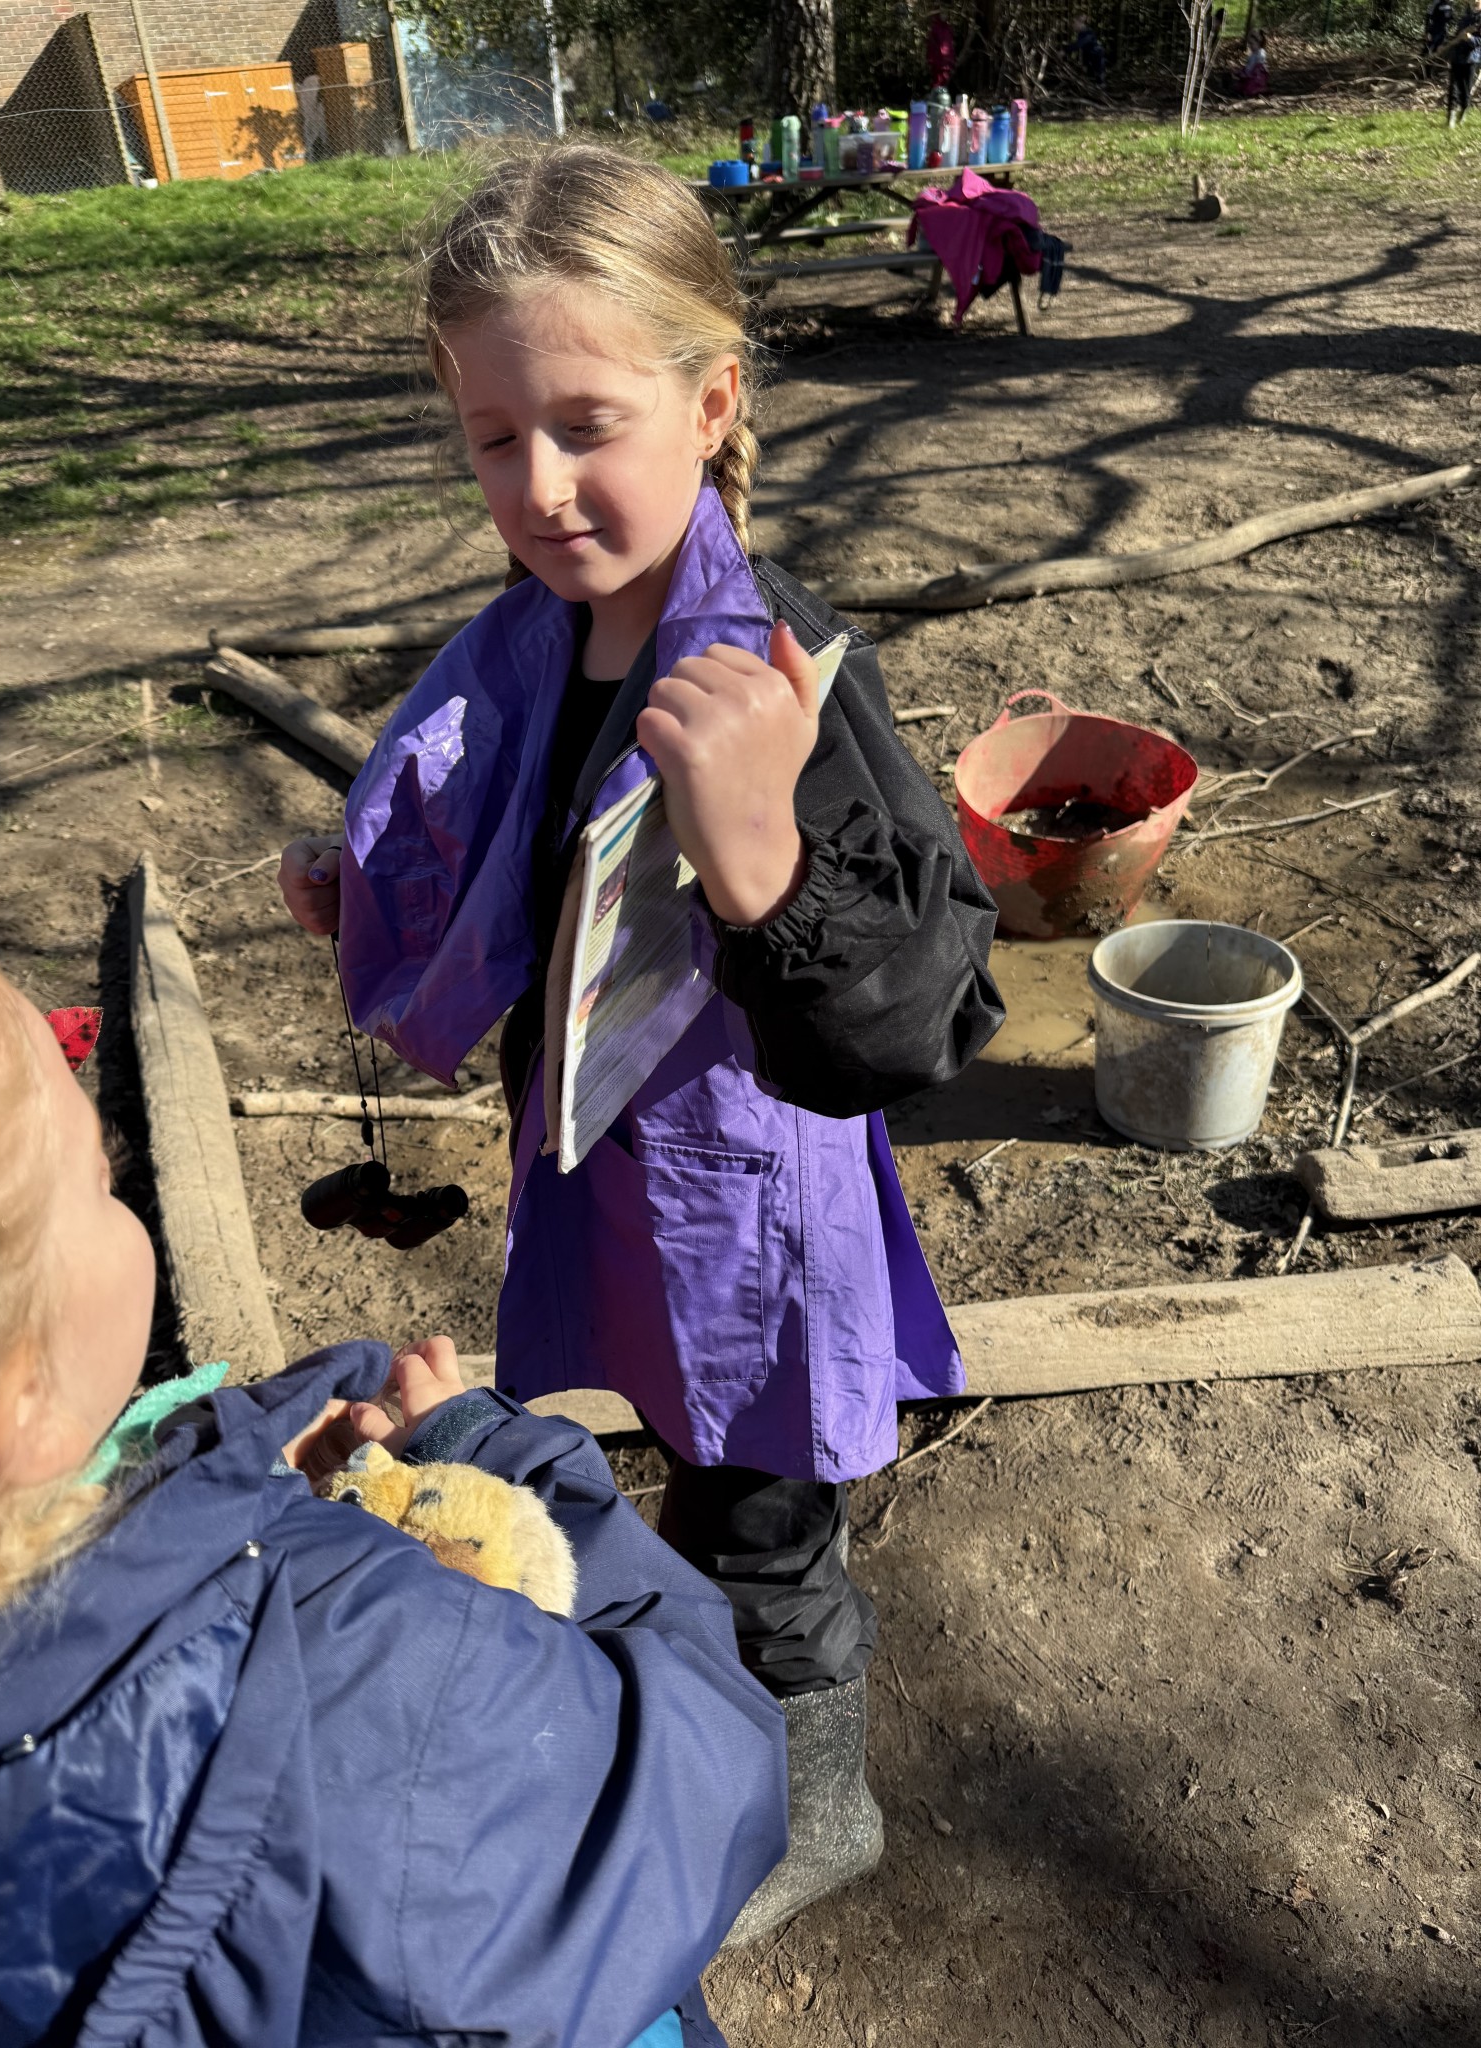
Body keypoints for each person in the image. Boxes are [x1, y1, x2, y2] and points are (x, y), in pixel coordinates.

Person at [279, 142, 1002, 1936]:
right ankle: (711, 1703)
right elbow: (542, 880)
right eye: (492, 437)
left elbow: (924, 1014)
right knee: (681, 1446)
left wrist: (761, 861)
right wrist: (385, 902)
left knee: (761, 1499)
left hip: (753, 1195)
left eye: (588, 423)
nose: (538, 483)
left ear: (713, 400)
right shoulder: (540, 645)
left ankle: (814, 1802)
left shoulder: (780, 677)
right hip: (607, 1155)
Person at [0, 900, 786, 2046]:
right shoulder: (351, 1654)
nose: (120, 1194)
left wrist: (228, 1475)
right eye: (102, 1184)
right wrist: (496, 1457)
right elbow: (704, 1773)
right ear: (19, 1405)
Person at [1445, 11, 1481, 123]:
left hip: (1471, 58)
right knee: (1453, 87)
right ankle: (1451, 117)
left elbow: (1479, 41)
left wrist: (1471, 39)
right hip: (1457, 57)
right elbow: (1457, 36)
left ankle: (1463, 111)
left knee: (1465, 90)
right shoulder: (1464, 18)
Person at [1239, 28, 1269, 97]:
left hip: (1256, 77)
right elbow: (1249, 65)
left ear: (1258, 43)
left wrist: (1250, 74)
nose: (1250, 46)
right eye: (1249, 44)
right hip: (1248, 75)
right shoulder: (1253, 54)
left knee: (1249, 89)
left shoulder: (1261, 53)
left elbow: (1259, 67)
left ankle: (1259, 89)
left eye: (1252, 44)